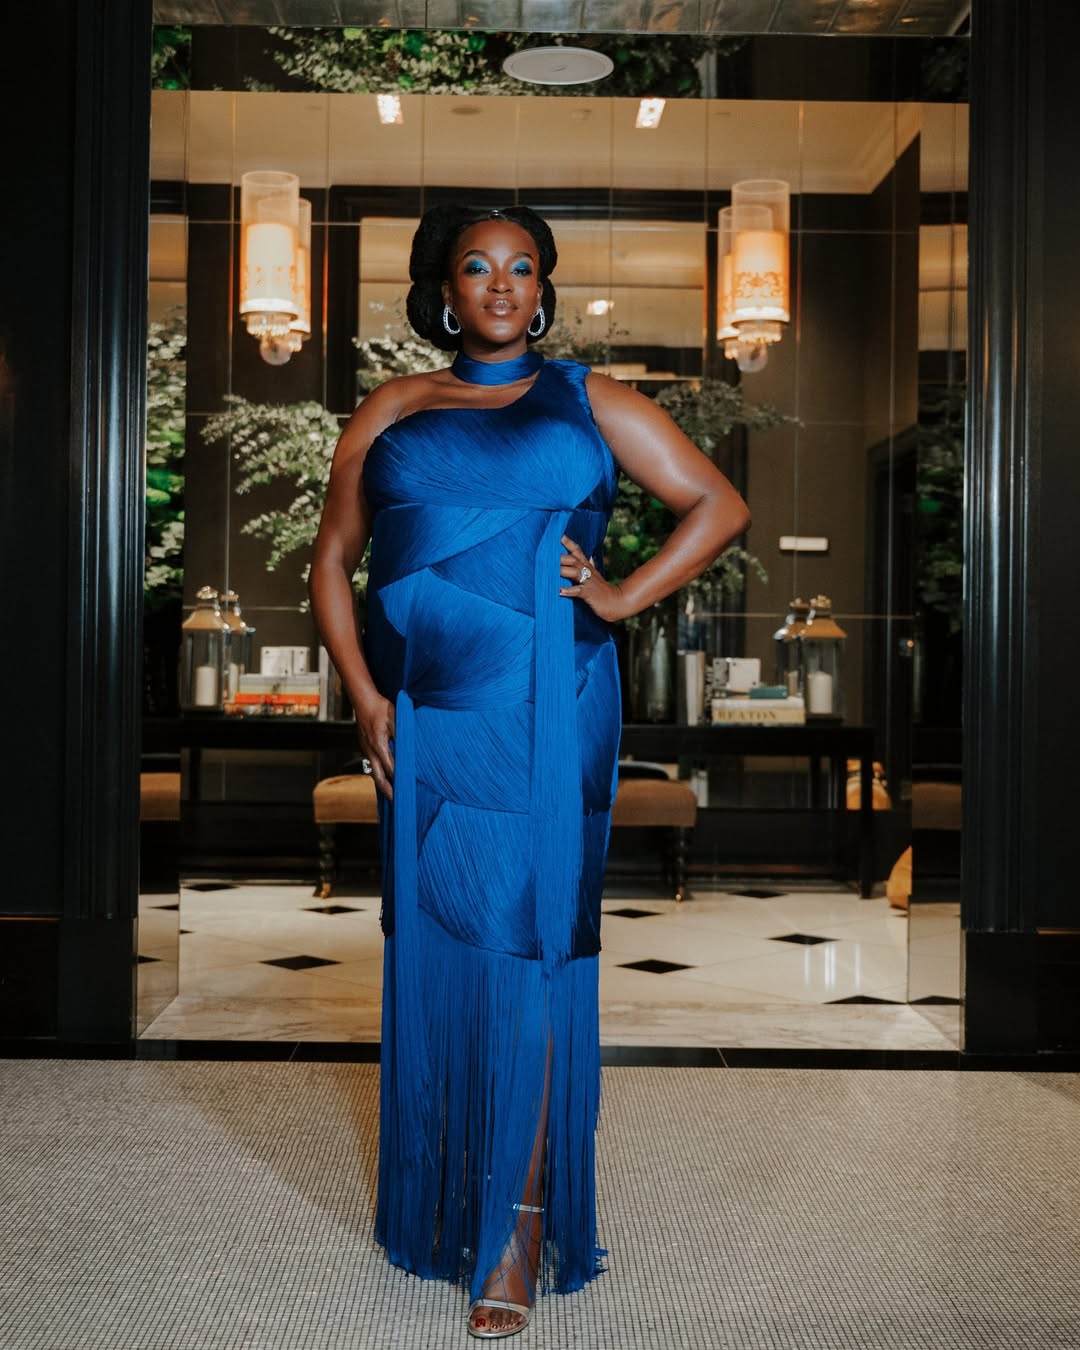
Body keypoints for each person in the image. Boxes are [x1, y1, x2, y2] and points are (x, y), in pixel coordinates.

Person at [309, 202, 750, 1339]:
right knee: (445, 938)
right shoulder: (394, 406)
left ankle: (518, 1230)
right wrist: (363, 695)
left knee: (534, 946)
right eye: (476, 268)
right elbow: (334, 558)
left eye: (522, 268)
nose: (501, 286)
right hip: (426, 715)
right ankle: (449, 1196)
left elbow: (719, 503)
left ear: (543, 287)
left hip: (553, 704)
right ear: (443, 290)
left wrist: (620, 594)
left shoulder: (590, 399)